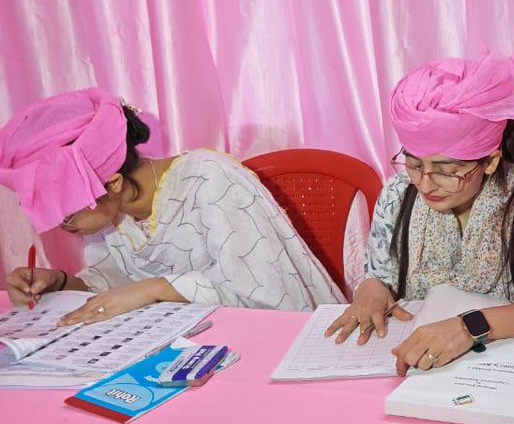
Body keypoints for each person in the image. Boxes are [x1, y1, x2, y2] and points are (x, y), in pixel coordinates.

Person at [324, 51, 514, 372]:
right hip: (420, 363)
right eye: (413, 164)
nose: (425, 183)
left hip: (508, 365)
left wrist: (470, 326)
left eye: (446, 170)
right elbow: (380, 275)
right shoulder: (399, 195)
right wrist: (370, 289)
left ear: (490, 161)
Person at [0, 87, 344, 322]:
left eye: (67, 213)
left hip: (271, 342)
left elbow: (266, 292)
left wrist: (155, 288)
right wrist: (57, 281)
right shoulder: (112, 210)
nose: (64, 224)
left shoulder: (208, 179)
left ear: (113, 183)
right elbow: (108, 288)